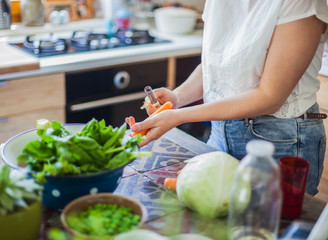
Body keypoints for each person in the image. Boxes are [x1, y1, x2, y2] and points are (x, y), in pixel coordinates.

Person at [129, 0, 328, 196]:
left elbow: (270, 96)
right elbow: (216, 66)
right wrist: (177, 97)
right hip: (220, 132)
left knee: (268, 224)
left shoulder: (302, 3)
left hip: (281, 141)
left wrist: (179, 116)